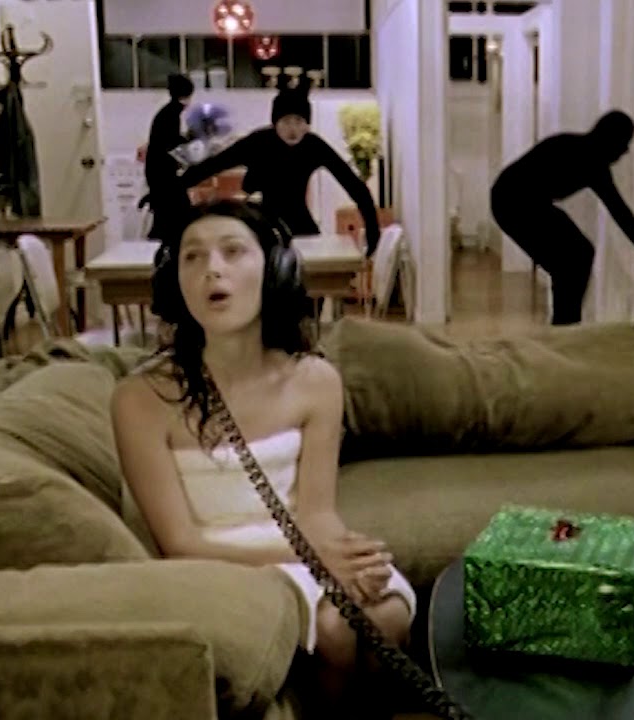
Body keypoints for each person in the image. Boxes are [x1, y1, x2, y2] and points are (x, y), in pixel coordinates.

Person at [110, 199, 413, 709]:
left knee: (387, 615)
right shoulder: (139, 399)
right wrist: (317, 560)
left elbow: (317, 512)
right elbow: (180, 544)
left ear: (274, 270)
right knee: (337, 631)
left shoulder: (316, 381)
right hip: (221, 565)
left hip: (301, 550)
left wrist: (352, 560)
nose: (212, 269)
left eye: (232, 251)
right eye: (192, 257)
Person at [490, 110, 634, 325]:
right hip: (510, 202)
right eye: (624, 142)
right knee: (572, 260)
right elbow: (620, 211)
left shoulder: (593, 162)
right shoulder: (579, 154)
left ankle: (566, 323)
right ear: (610, 139)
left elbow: (620, 212)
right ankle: (566, 325)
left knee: (578, 256)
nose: (626, 150)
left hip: (530, 203)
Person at [177, 84, 382, 256]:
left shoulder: (313, 146)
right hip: (263, 226)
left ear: (307, 125)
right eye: (286, 122)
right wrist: (173, 188)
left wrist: (373, 232)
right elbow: (212, 165)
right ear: (275, 123)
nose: (293, 129)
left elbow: (354, 186)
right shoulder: (258, 142)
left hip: (302, 227)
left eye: (299, 122)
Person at [142, 73, 196, 243]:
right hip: (163, 174)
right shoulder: (172, 114)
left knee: (166, 216)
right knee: (176, 214)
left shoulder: (167, 112)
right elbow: (171, 145)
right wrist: (190, 138)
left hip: (158, 173)